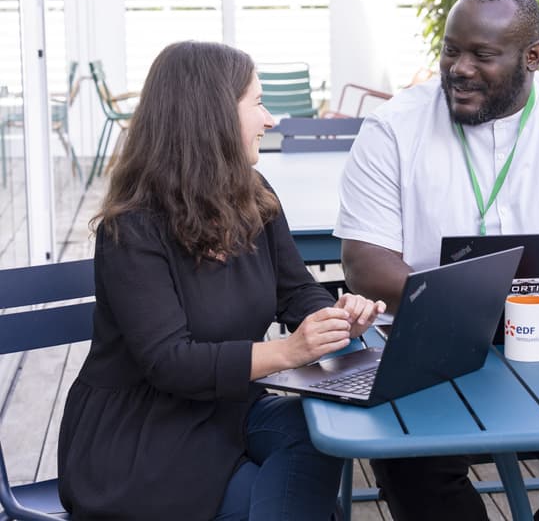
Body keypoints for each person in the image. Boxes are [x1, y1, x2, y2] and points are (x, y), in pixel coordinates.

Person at [335, 0, 539, 520]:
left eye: (482, 55)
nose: (459, 68)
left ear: (531, 57)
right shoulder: (393, 127)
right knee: (407, 457)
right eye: (450, 50)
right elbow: (364, 261)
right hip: (432, 356)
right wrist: (485, 311)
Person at [57, 41, 385, 521]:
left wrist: (333, 317)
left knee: (318, 436)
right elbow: (171, 362)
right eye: (257, 103)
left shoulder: (254, 195)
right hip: (142, 437)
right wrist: (290, 351)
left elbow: (295, 289)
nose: (270, 119)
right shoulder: (133, 228)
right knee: (286, 502)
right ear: (211, 116)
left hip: (227, 408)